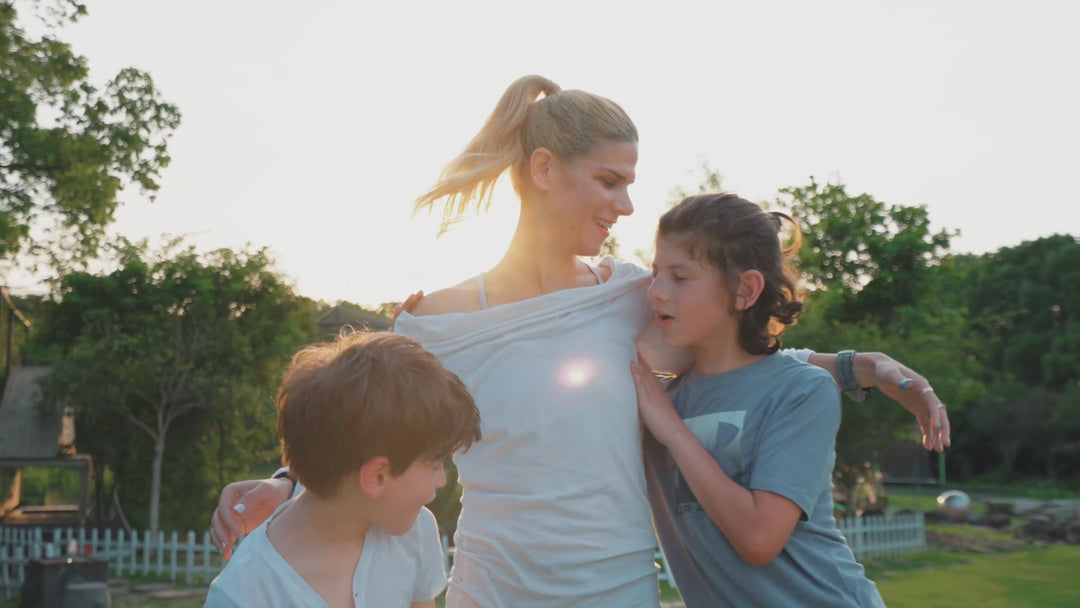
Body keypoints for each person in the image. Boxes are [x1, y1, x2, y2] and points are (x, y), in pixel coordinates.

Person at [209, 75, 950, 607]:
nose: (626, 205)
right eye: (608, 181)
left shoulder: (631, 295)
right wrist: (285, 483)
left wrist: (860, 366)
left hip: (619, 589)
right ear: (543, 170)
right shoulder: (437, 320)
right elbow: (363, 422)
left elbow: (736, 359)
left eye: (629, 184)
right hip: (492, 591)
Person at [632, 193, 885, 606]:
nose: (656, 291)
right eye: (655, 272)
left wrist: (674, 432)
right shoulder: (656, 400)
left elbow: (759, 539)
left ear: (745, 290)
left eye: (679, 277)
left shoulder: (802, 390)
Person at [204, 331, 482, 608]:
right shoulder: (241, 595)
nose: (442, 480)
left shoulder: (414, 531)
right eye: (435, 464)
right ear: (376, 476)